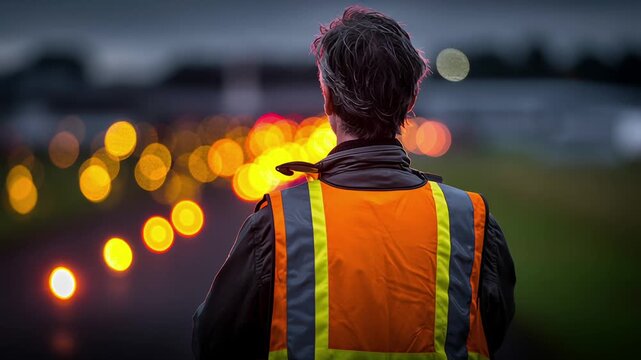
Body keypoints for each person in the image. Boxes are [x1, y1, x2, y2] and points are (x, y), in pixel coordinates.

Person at [193, 6, 515, 360]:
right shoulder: (471, 222)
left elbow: (212, 343)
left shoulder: (278, 226)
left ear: (328, 99)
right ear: (410, 101)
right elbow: (492, 331)